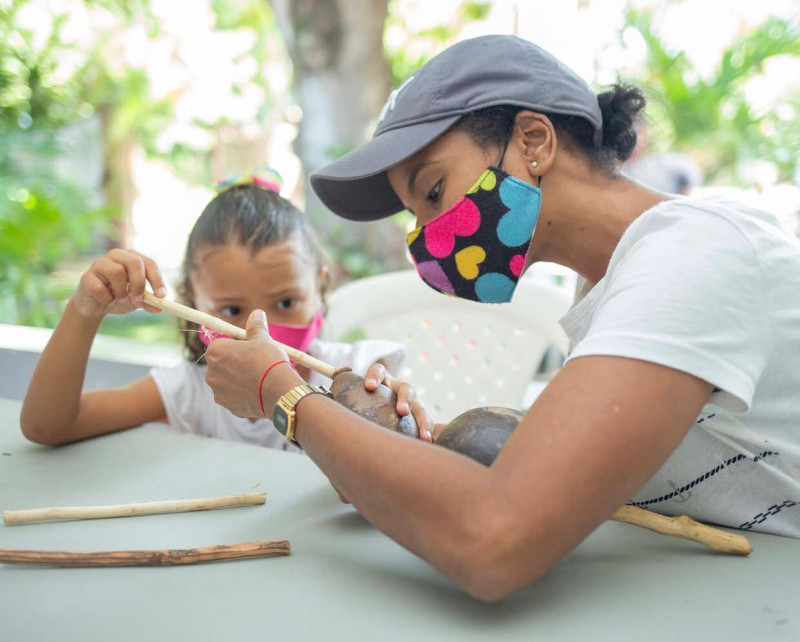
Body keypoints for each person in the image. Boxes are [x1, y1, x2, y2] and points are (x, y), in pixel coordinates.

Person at [201, 36, 800, 600]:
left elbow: (495, 540)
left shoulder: (689, 260)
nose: (428, 237)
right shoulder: (609, 283)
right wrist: (393, 454)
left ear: (534, 140)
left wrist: (285, 397)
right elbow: (557, 470)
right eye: (414, 216)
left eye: (433, 192)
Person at [20, 167, 431, 449]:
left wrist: (398, 418)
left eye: (286, 303)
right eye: (231, 311)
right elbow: (48, 426)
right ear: (192, 301)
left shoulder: (360, 375)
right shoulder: (189, 393)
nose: (261, 332)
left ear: (320, 285)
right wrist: (84, 310)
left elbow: (414, 459)